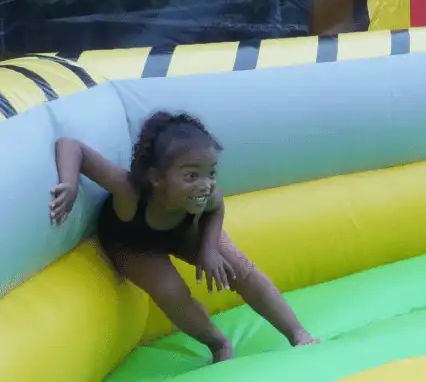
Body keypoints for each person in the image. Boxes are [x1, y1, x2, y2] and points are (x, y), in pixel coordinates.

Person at [49, 110, 319, 363]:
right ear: (157, 178)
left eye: (211, 173)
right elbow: (71, 145)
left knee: (241, 268)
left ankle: (298, 334)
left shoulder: (205, 194)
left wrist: (209, 249)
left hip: (182, 230)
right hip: (132, 240)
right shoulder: (128, 189)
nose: (205, 184)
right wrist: (70, 183)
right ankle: (218, 343)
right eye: (191, 175)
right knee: (169, 290)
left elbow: (216, 206)